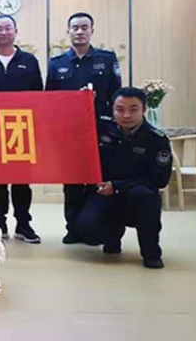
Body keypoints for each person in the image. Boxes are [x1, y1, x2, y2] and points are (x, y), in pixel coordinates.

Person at [47, 12, 123, 245]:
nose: (79, 32)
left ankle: (93, 227)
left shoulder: (106, 59)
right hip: (70, 132)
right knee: (71, 182)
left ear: (92, 31)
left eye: (84, 27)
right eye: (75, 28)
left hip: (101, 130)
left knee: (96, 179)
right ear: (68, 31)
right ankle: (72, 228)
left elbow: (117, 95)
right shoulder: (57, 63)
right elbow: (50, 100)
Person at [76, 87, 170, 269]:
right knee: (86, 228)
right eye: (120, 109)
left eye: (133, 109)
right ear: (112, 109)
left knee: (145, 198)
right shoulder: (104, 127)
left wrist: (118, 186)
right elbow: (77, 124)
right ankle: (112, 235)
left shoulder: (156, 139)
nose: (126, 115)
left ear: (144, 109)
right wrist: (84, 101)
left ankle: (151, 253)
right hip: (105, 194)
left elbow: (159, 180)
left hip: (137, 196)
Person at [0, 14, 43, 243]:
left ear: (15, 32)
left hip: (22, 129)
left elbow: (39, 96)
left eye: (8, 28)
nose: (3, 33)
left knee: (22, 180)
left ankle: (23, 224)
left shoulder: (29, 61)